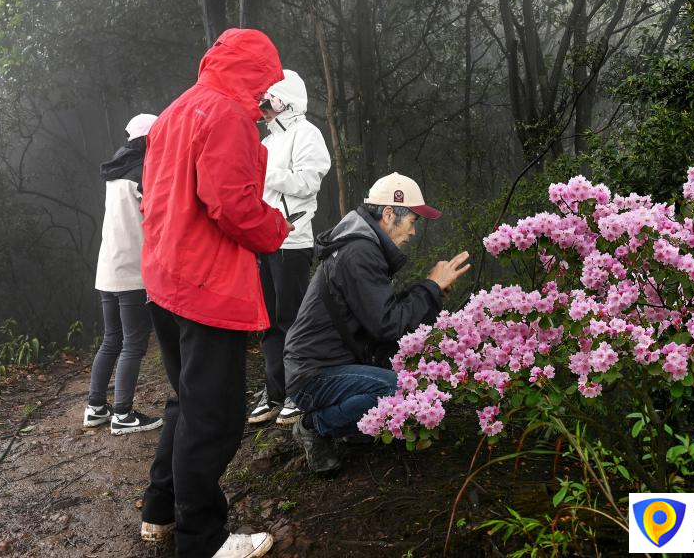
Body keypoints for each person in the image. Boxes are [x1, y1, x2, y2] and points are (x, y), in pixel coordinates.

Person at [139, 28, 291, 558]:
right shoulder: (226, 114)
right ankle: (202, 540)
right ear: (254, 71)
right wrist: (277, 229)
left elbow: (159, 197)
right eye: (266, 79)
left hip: (164, 275)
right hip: (206, 284)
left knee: (187, 401)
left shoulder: (179, 108)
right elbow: (231, 204)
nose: (267, 93)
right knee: (216, 419)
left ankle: (160, 511)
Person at [283, 172, 470, 474]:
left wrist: (430, 291)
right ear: (388, 214)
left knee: (410, 378)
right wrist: (430, 288)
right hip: (314, 374)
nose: (413, 231)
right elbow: (388, 325)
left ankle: (349, 422)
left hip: (330, 364)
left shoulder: (363, 247)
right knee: (400, 390)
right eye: (412, 220)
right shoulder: (360, 252)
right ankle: (315, 425)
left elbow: (381, 313)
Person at [248, 70, 331, 426]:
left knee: (292, 320)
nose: (264, 108)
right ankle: (275, 391)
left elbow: (308, 184)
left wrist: (265, 170)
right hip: (262, 240)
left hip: (292, 240)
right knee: (268, 322)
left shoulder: (307, 134)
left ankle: (299, 393)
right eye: (263, 102)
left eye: (269, 101)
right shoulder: (265, 143)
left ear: (288, 101)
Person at [83, 113, 164, 436]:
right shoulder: (144, 171)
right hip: (132, 270)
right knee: (133, 343)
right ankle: (124, 414)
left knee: (112, 339)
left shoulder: (115, 171)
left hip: (108, 268)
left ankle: (96, 407)